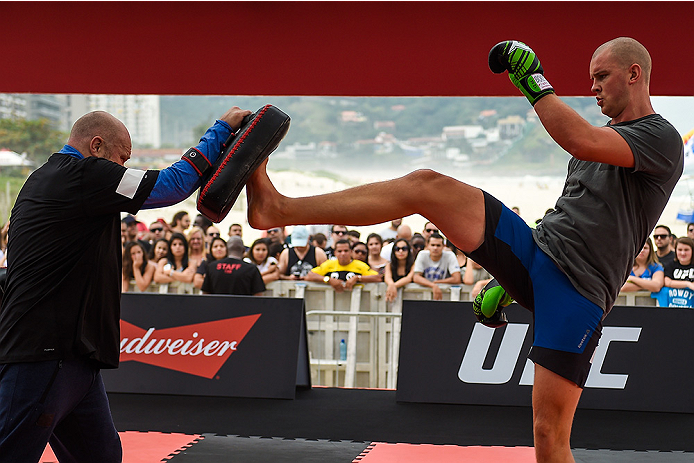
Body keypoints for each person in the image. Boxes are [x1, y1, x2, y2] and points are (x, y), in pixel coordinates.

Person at [245, 38, 683, 462]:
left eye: (601, 76)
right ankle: (275, 208)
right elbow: (574, 210)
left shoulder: (659, 137)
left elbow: (581, 140)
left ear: (634, 74)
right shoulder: (597, 143)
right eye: (591, 78)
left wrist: (533, 82)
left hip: (578, 295)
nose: (592, 88)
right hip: (536, 253)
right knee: (426, 184)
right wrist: (506, 283)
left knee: (549, 438)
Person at [0, 106, 252, 461]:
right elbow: (173, 184)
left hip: (74, 359)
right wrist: (221, 130)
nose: (123, 168)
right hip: (44, 354)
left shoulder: (55, 180)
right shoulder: (84, 174)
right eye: (122, 158)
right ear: (97, 146)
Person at [305, 239, 380, 292]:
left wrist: (357, 278)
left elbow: (378, 278)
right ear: (335, 253)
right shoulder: (329, 264)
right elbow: (310, 275)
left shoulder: (360, 265)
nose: (343, 254)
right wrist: (328, 280)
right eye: (340, 251)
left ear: (351, 252)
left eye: (346, 251)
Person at [201, 236, 266, 296]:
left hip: (216, 307)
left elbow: (205, 294)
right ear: (243, 250)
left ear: (227, 249)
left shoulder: (212, 267)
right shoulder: (251, 269)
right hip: (244, 308)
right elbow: (258, 296)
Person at [412, 232, 462, 300]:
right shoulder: (422, 254)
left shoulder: (450, 255)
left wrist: (437, 282)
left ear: (443, 246)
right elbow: (416, 277)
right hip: (424, 295)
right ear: (427, 245)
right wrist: (433, 285)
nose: (435, 248)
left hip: (445, 295)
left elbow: (457, 278)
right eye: (432, 245)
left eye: (438, 245)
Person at [662, 237, 694, 307]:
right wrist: (687, 284)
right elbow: (667, 282)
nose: (683, 253)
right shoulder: (670, 265)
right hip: (674, 304)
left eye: (686, 250)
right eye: (680, 250)